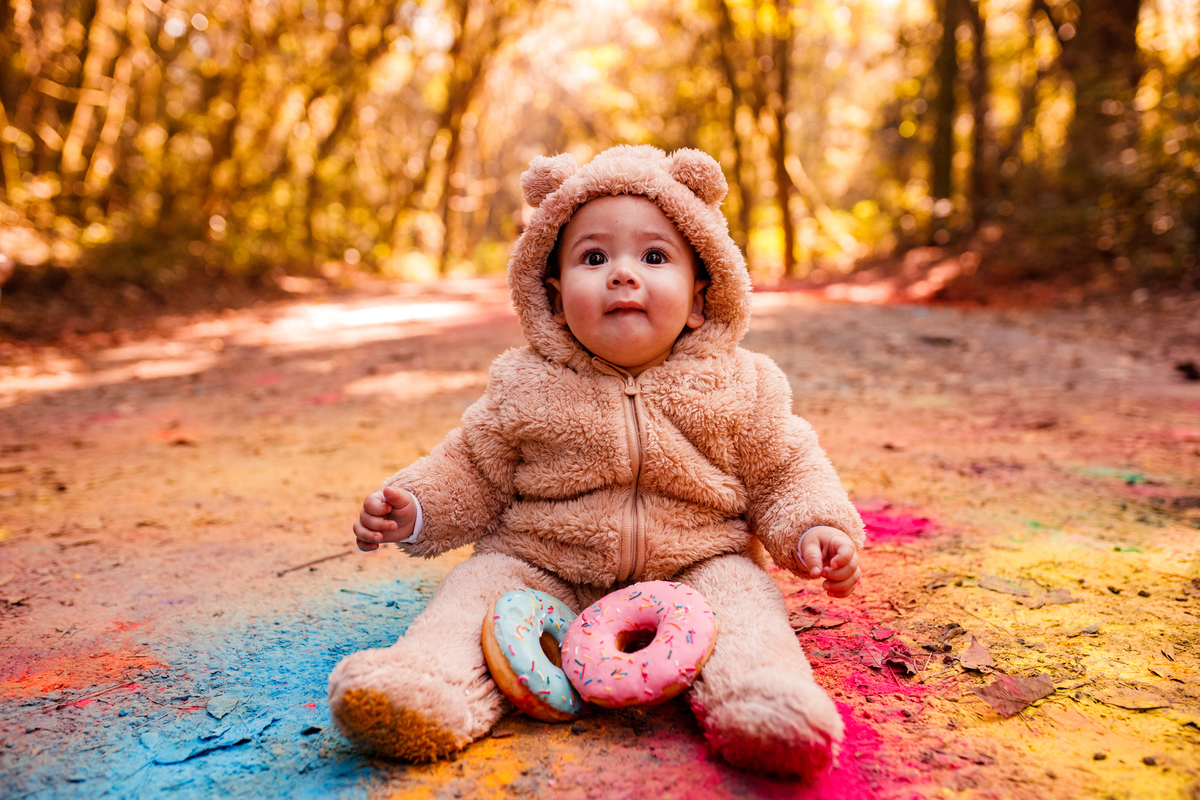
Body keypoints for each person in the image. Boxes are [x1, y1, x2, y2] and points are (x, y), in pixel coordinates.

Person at [328, 145, 864, 778]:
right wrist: (415, 507)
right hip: (544, 562)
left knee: (745, 600)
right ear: (552, 298)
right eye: (593, 257)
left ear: (699, 298)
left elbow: (787, 468)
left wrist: (814, 527)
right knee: (476, 590)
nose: (622, 274)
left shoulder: (741, 386)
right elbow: (470, 466)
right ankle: (426, 684)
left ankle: (763, 699)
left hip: (694, 564)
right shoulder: (525, 385)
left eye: (655, 256)